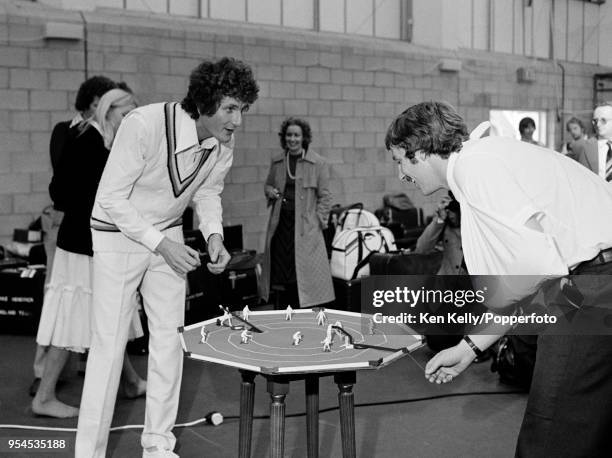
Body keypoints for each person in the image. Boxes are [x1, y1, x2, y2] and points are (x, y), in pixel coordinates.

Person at [386, 101, 612, 457]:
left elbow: (537, 269)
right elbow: (536, 279)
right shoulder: (484, 158)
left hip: (593, 282)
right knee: (585, 425)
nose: (401, 175)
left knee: (550, 429)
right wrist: (470, 347)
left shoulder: (476, 167)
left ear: (422, 150)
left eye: (399, 160)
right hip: (589, 279)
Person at [75, 57, 259, 458]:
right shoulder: (143, 124)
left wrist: (213, 236)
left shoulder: (222, 143)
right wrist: (161, 243)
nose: (237, 121)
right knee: (108, 348)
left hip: (168, 236)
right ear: (205, 101)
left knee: (170, 341)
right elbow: (109, 199)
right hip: (117, 235)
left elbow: (208, 194)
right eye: (230, 108)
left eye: (242, 110)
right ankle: (88, 452)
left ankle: (158, 444)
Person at [32, 89, 145, 419]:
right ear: (109, 111)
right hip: (84, 245)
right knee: (75, 320)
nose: (129, 124)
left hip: (87, 242)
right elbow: (63, 193)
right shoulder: (90, 143)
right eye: (126, 116)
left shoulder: (94, 141)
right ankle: (44, 396)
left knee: (107, 314)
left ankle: (131, 381)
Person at [31, 76, 118, 398]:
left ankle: (126, 379)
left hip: (80, 229)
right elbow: (63, 185)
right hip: (65, 226)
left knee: (88, 304)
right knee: (63, 298)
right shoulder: (72, 132)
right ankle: (43, 376)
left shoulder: (100, 137)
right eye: (101, 103)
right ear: (92, 103)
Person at [261, 117, 335, 309]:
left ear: (304, 138)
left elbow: (325, 196)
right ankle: (283, 309)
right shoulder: (277, 161)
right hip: (281, 223)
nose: (292, 139)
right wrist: (269, 191)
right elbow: (268, 185)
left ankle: (303, 309)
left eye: (296, 135)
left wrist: (318, 221)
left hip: (306, 226)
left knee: (301, 272)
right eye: (289, 135)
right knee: (281, 270)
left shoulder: (318, 163)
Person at [569, 102, 612, 181]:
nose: (598, 124)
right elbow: (582, 180)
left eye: (603, 120)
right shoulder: (585, 147)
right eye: (595, 121)